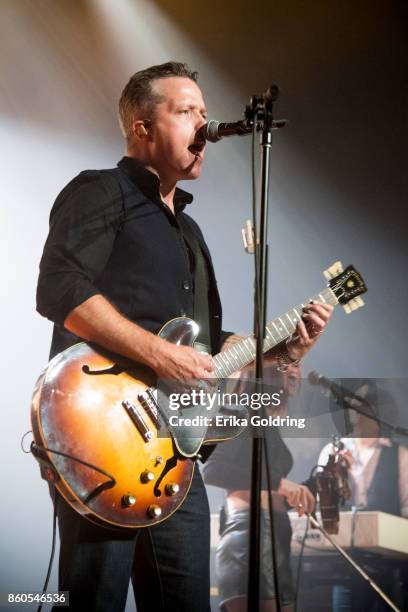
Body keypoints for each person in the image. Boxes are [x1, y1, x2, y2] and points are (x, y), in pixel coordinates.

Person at [36, 61, 333, 612]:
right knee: (92, 602)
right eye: (186, 111)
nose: (204, 123)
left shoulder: (190, 233)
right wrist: (156, 353)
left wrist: (285, 352)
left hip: (176, 455)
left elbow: (212, 352)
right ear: (142, 129)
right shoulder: (101, 191)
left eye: (203, 110)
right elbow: (58, 289)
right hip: (103, 441)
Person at [203, 363, 314, 612]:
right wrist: (279, 484)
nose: (296, 370)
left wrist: (301, 492)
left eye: (298, 363)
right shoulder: (240, 410)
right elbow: (213, 470)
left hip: (277, 533)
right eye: (288, 363)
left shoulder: (266, 419)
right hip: (248, 534)